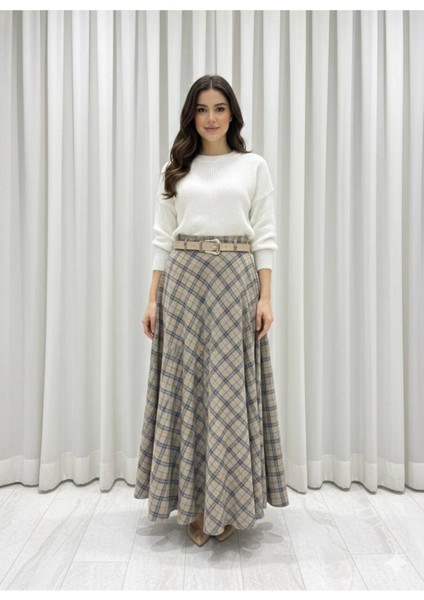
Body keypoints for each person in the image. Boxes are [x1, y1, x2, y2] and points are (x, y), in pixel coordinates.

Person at [134, 74, 289, 547]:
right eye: (201, 109)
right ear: (191, 116)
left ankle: (228, 503)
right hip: (184, 281)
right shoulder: (177, 168)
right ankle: (197, 506)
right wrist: (152, 297)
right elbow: (163, 237)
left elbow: (265, 233)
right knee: (190, 392)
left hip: (236, 282)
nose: (211, 118)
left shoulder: (253, 166)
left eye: (219, 108)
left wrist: (265, 297)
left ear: (232, 114)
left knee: (227, 394)